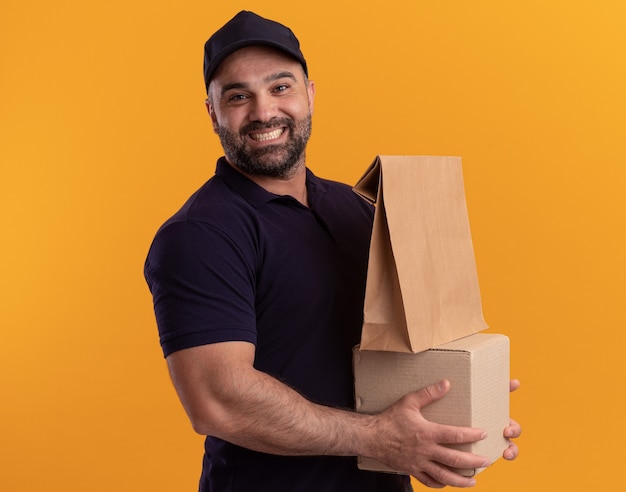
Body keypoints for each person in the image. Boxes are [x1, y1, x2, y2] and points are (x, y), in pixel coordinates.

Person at [144, 10, 521, 492]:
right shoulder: (202, 233)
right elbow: (219, 400)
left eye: (281, 87)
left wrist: (465, 407)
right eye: (238, 97)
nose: (264, 112)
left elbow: (400, 345)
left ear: (310, 95)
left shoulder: (354, 206)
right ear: (212, 112)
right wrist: (382, 439)